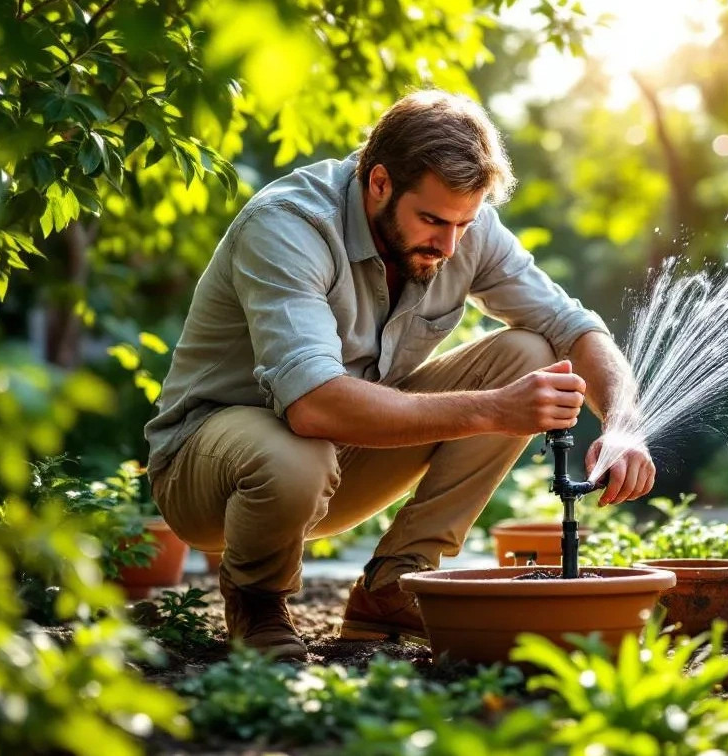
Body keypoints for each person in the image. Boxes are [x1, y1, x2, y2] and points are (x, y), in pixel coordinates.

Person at [144, 89, 655, 660]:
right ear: (379, 182)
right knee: (297, 450)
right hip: (210, 474)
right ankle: (257, 602)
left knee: (531, 351)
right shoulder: (289, 226)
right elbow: (313, 407)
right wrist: (493, 410)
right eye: (433, 220)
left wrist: (623, 423)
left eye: (465, 223)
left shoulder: (461, 226)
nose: (450, 244)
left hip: (338, 458)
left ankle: (391, 587)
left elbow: (572, 326)